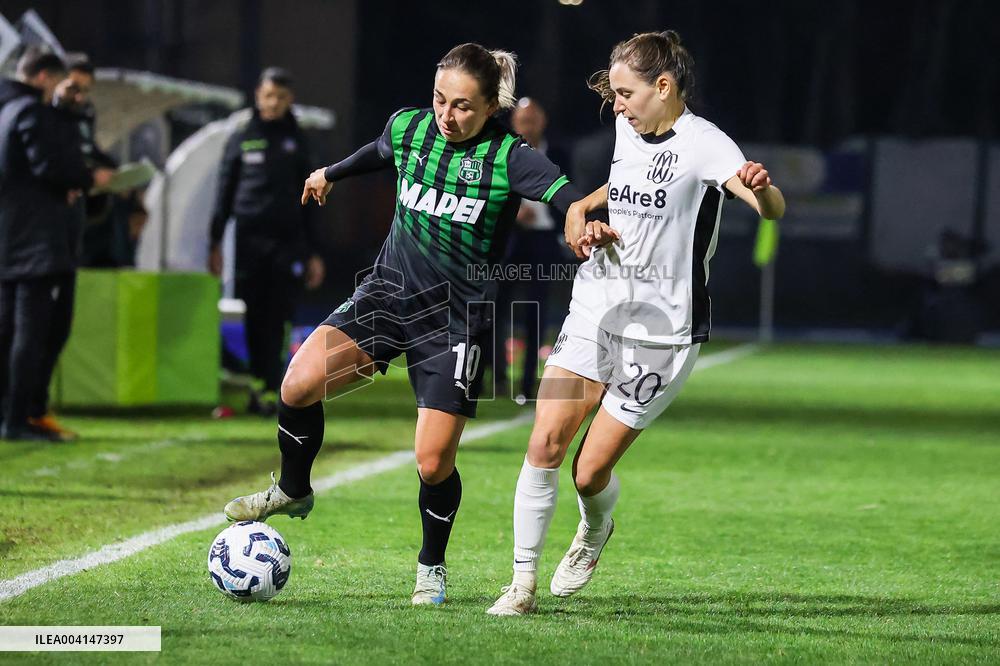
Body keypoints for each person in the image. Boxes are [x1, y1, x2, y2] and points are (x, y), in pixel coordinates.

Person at [223, 43, 604, 606]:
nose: (446, 117)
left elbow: (573, 195)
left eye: (463, 107)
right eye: (439, 101)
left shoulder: (509, 157)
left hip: (455, 319)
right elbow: (379, 151)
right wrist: (329, 172)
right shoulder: (410, 128)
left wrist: (578, 216)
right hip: (387, 293)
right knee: (297, 385)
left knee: (432, 461)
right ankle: (294, 489)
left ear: (491, 108)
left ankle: (431, 567)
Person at [487, 30, 786, 615]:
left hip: (662, 332)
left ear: (664, 87)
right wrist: (579, 212)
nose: (616, 105)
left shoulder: (707, 146)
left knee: (588, 472)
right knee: (544, 442)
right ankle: (520, 586)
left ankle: (594, 529)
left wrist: (762, 188)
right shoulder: (628, 129)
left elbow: (771, 210)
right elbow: (621, 188)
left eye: (625, 92)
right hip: (597, 306)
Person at [0, 48, 113, 441]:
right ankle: (19, 417)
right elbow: (49, 167)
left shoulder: (8, 109)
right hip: (37, 244)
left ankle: (19, 415)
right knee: (36, 333)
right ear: (46, 77)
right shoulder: (30, 112)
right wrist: (81, 180)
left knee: (14, 331)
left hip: (15, 240)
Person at [209, 67, 326, 416]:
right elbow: (224, 193)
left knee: (280, 316)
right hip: (248, 242)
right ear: (258, 96)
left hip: (287, 244)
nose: (273, 102)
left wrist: (314, 252)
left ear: (289, 99)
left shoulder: (298, 140)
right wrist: (214, 242)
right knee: (253, 315)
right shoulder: (242, 136)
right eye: (268, 95)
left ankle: (277, 388)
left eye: (280, 97)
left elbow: (314, 201)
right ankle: (259, 387)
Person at [494, 97, 568, 401]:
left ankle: (526, 385)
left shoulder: (559, 154)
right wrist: (512, 214)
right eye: (523, 121)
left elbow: (570, 193)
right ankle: (497, 379)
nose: (528, 126)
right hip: (510, 240)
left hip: (543, 240)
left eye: (533, 120)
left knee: (536, 313)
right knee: (495, 311)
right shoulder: (502, 152)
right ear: (514, 123)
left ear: (543, 122)